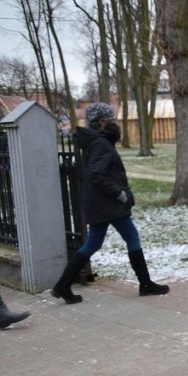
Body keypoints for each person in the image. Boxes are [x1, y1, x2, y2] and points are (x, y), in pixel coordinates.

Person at [51, 103, 170, 304]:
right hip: (109, 204)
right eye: (111, 120)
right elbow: (96, 175)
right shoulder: (100, 144)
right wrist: (120, 195)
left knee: (93, 244)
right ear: (102, 122)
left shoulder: (95, 142)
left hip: (100, 204)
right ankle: (146, 284)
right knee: (132, 238)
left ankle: (63, 285)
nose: (115, 123)